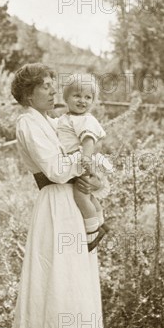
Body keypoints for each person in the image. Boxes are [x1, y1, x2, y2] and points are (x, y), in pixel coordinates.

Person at [4, 63, 107, 328]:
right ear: (28, 95)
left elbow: (80, 150)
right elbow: (56, 169)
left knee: (72, 293)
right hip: (53, 207)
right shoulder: (28, 123)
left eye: (52, 85)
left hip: (70, 206)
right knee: (51, 293)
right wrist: (84, 160)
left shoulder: (54, 121)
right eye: (43, 87)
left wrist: (89, 164)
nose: (51, 91)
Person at [57, 74, 112, 246]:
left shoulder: (84, 119)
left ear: (93, 101)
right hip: (75, 160)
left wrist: (86, 160)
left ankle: (92, 231)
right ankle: (100, 219)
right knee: (87, 194)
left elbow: (89, 140)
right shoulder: (68, 118)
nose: (82, 101)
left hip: (81, 160)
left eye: (88, 97)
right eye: (77, 96)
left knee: (80, 195)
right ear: (66, 97)